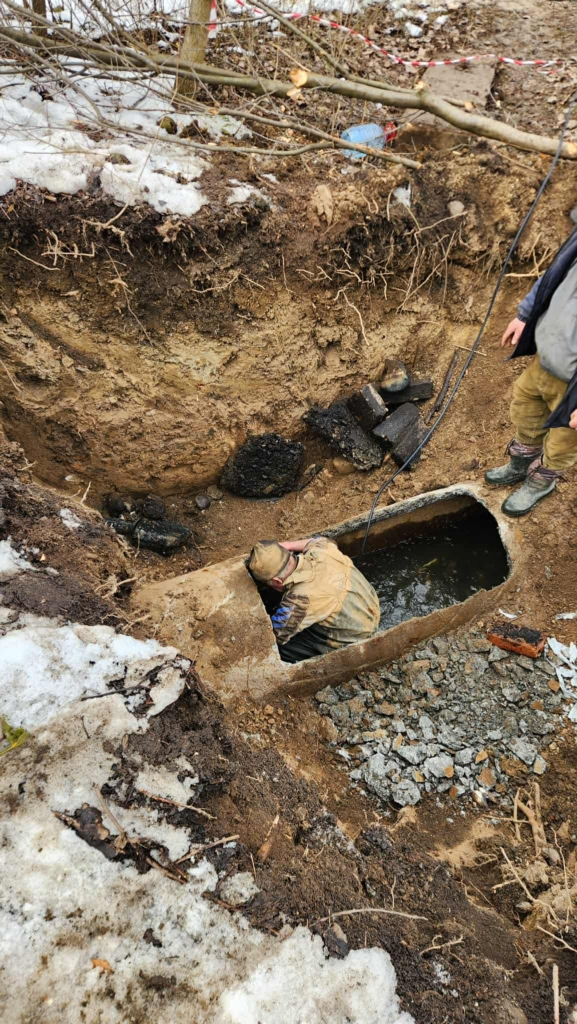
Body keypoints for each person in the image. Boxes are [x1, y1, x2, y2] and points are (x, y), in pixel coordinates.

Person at [485, 226, 577, 516]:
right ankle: (521, 463)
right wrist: (525, 315)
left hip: (573, 388)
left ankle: (541, 481)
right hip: (545, 358)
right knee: (526, 411)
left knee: (562, 441)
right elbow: (554, 275)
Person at [247, 536, 380, 663]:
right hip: (370, 608)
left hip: (356, 637)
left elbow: (276, 635)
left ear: (276, 581)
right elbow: (319, 539)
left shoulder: (300, 600)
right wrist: (286, 546)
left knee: (280, 649)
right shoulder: (321, 550)